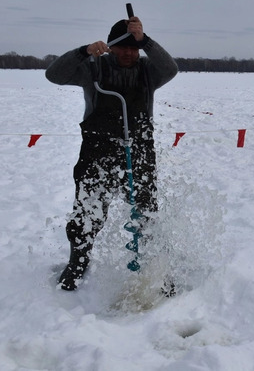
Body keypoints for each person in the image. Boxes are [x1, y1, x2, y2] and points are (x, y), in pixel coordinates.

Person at [45, 15, 178, 290]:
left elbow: (171, 68)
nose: (129, 53)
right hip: (98, 150)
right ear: (111, 47)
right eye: (123, 47)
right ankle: (78, 262)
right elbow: (53, 75)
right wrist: (83, 52)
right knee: (87, 210)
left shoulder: (148, 71)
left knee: (146, 210)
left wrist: (147, 41)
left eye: (134, 48)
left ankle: (153, 265)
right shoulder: (93, 68)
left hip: (139, 149)